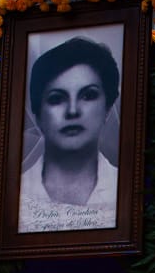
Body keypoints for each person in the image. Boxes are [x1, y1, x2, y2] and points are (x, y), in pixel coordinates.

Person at [19, 36, 120, 234]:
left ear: (107, 109)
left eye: (88, 95)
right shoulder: (16, 194)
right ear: (38, 114)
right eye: (56, 99)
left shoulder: (126, 189)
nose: (73, 111)